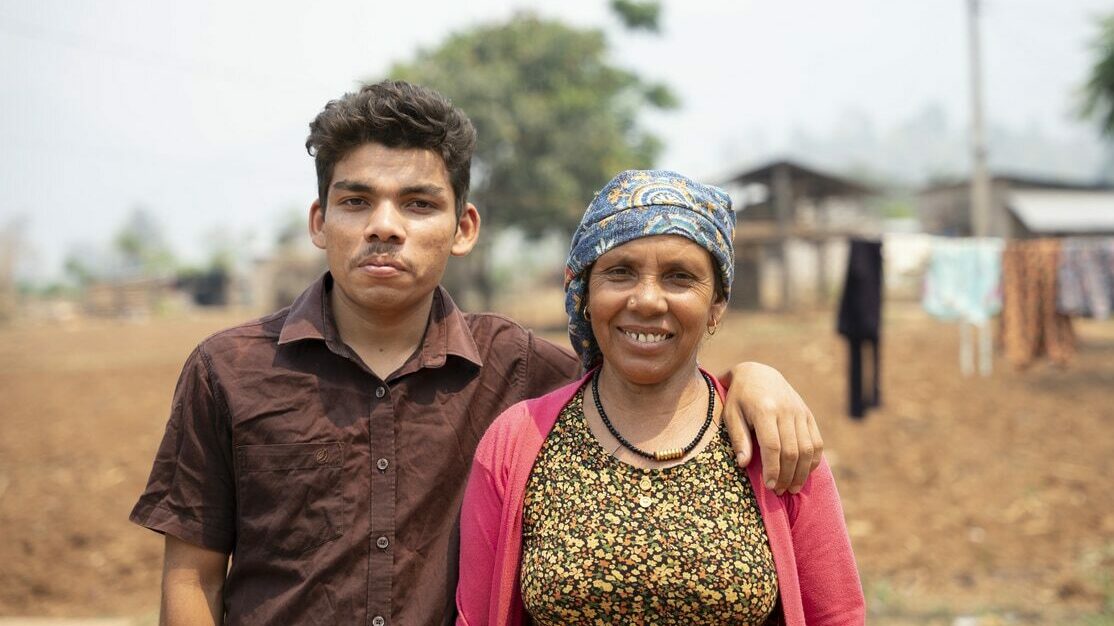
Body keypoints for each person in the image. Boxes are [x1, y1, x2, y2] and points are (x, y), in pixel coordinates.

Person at [130, 80, 826, 625]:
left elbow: (650, 378)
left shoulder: (522, 371)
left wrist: (749, 379)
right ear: (320, 221)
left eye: (418, 204)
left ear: (464, 227)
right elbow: (192, 578)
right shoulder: (229, 369)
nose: (384, 227)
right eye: (356, 201)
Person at [456, 170, 864, 625]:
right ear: (585, 293)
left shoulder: (773, 437)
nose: (648, 300)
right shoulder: (516, 442)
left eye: (679, 277)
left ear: (716, 305)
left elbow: (836, 615)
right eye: (620, 272)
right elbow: (476, 617)